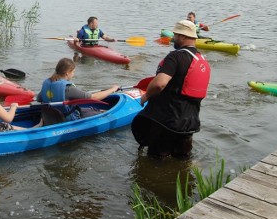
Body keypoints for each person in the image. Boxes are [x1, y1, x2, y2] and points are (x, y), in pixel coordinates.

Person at [131, 19, 211, 158]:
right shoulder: (201, 60)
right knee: (182, 161)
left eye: (175, 35)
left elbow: (159, 83)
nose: (173, 38)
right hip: (188, 124)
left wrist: (146, 96)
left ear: (183, 36)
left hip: (166, 122)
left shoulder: (175, 57)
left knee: (155, 161)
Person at [37, 58, 120, 121]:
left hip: (51, 116)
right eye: (73, 72)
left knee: (90, 109)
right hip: (67, 118)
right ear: (67, 73)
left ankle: (99, 110)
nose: (73, 74)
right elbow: (94, 98)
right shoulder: (68, 88)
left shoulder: (47, 82)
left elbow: (39, 98)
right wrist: (112, 89)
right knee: (102, 113)